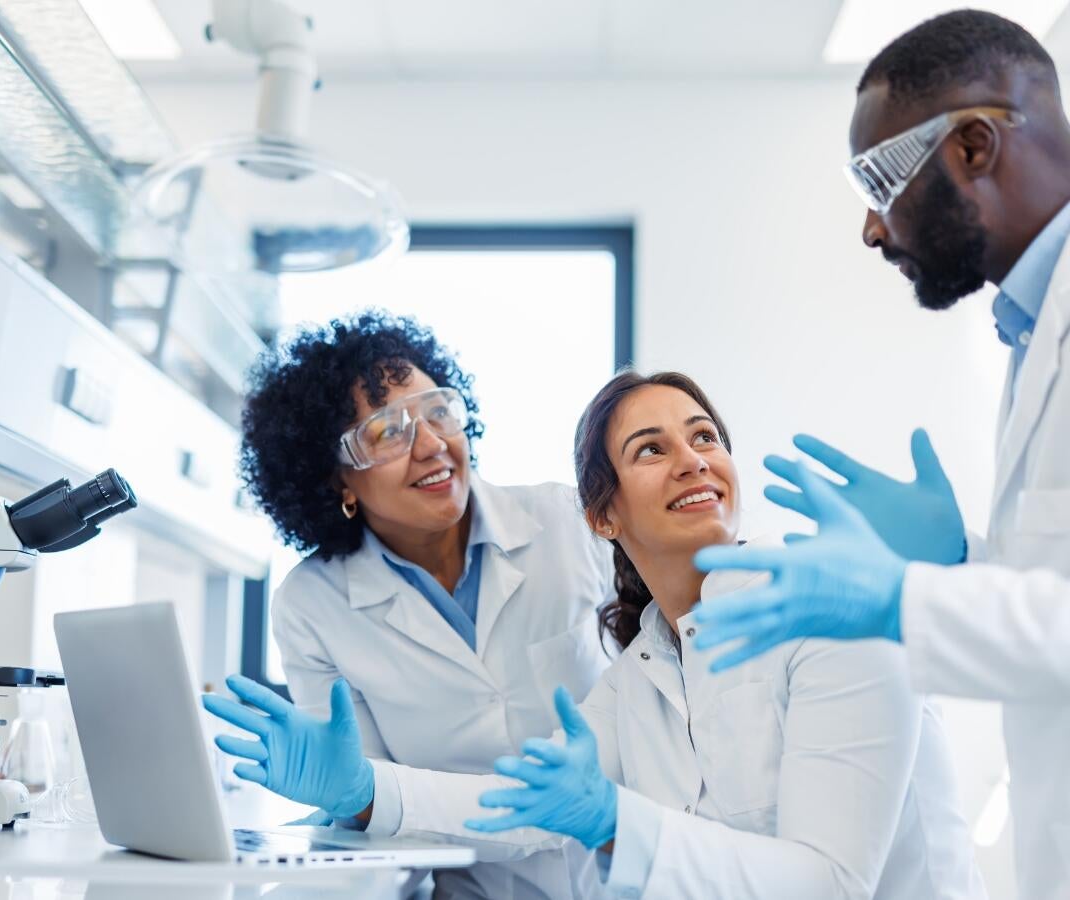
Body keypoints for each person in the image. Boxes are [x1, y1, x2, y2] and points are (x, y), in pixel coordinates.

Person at [210, 370, 984, 899]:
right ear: (602, 517)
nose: (692, 461)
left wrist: (619, 823)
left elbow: (828, 883)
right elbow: (520, 807)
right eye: (652, 449)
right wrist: (365, 790)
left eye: (705, 437)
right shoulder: (643, 671)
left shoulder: (831, 613)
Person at [690, 12, 1070, 900]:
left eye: (880, 178)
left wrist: (905, 599)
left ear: (973, 146)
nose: (870, 227)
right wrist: (966, 563)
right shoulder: (1029, 332)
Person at [205, 310, 614, 900]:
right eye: (387, 431)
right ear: (336, 480)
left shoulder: (568, 524)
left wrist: (373, 795)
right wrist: (345, 813)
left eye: (437, 412)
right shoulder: (312, 605)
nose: (430, 445)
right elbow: (366, 804)